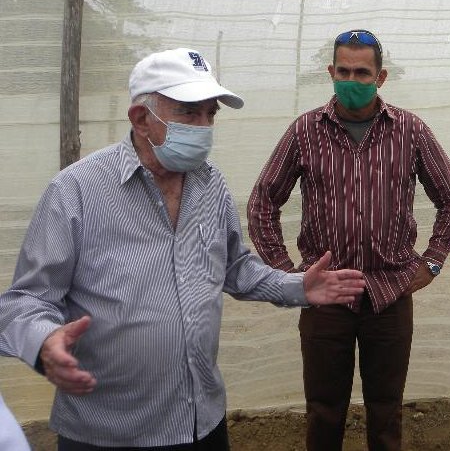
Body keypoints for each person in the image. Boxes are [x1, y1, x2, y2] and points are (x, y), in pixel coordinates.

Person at [0, 48, 366, 450]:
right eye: (190, 113)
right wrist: (44, 342)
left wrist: (297, 287)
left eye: (211, 114)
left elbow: (233, 267)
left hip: (201, 421)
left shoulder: (210, 185)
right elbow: (24, 301)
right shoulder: (76, 192)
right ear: (142, 119)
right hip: (110, 432)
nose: (204, 126)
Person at [247, 29, 450, 451]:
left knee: (386, 409)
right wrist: (288, 275)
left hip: (389, 292)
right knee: (324, 408)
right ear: (330, 72)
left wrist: (432, 261)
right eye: (344, 71)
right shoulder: (305, 131)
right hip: (325, 296)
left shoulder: (410, 130)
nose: (352, 80)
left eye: (362, 73)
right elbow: (262, 202)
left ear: (380, 77)